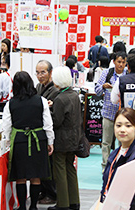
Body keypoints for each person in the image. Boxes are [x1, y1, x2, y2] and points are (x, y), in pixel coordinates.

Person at [1, 71, 54, 210]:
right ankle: (34, 207)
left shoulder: (10, 103)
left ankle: (23, 206)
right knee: (36, 175)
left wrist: (6, 143)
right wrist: (50, 141)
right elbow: (48, 124)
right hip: (38, 140)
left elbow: (5, 126)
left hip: (19, 141)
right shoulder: (41, 100)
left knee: (21, 176)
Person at [98, 108, 135, 210]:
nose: (122, 130)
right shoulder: (114, 154)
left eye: (128, 126)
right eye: (118, 125)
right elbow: (105, 187)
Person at [48, 66, 81, 210]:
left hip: (61, 139)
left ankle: (62, 203)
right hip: (74, 138)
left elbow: (56, 121)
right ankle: (74, 201)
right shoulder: (74, 95)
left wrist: (50, 110)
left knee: (59, 170)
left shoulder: (60, 98)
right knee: (70, 168)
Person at [95, 52, 127, 169]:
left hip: (122, 115)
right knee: (106, 143)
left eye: (123, 62)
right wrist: (104, 86)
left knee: (122, 143)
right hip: (108, 113)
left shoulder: (126, 75)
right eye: (119, 62)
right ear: (114, 62)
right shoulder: (106, 73)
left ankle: (119, 167)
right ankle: (105, 167)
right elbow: (97, 89)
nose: (121, 65)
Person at [35, 60, 59, 204]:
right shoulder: (38, 87)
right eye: (37, 72)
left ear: (50, 72)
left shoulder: (55, 91)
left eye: (43, 72)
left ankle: (52, 194)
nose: (40, 75)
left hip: (51, 132)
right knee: (42, 166)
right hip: (40, 132)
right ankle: (43, 191)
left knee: (50, 166)